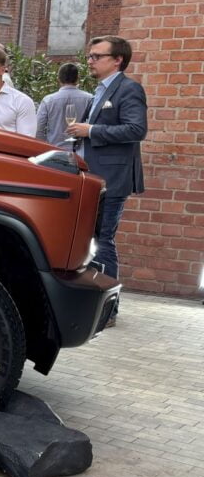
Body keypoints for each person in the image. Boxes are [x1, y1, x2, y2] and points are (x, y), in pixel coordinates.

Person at [65, 35, 147, 317]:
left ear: (117, 60)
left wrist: (91, 131)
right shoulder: (99, 90)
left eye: (96, 56)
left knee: (104, 241)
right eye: (89, 56)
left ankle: (108, 309)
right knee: (92, 240)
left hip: (113, 179)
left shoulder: (129, 89)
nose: (90, 61)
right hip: (93, 178)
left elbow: (137, 130)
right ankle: (95, 303)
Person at [35, 62, 92, 149]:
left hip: (55, 149)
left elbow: (39, 128)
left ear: (58, 79)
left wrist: (45, 146)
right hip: (82, 150)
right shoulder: (89, 99)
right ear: (78, 78)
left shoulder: (48, 100)